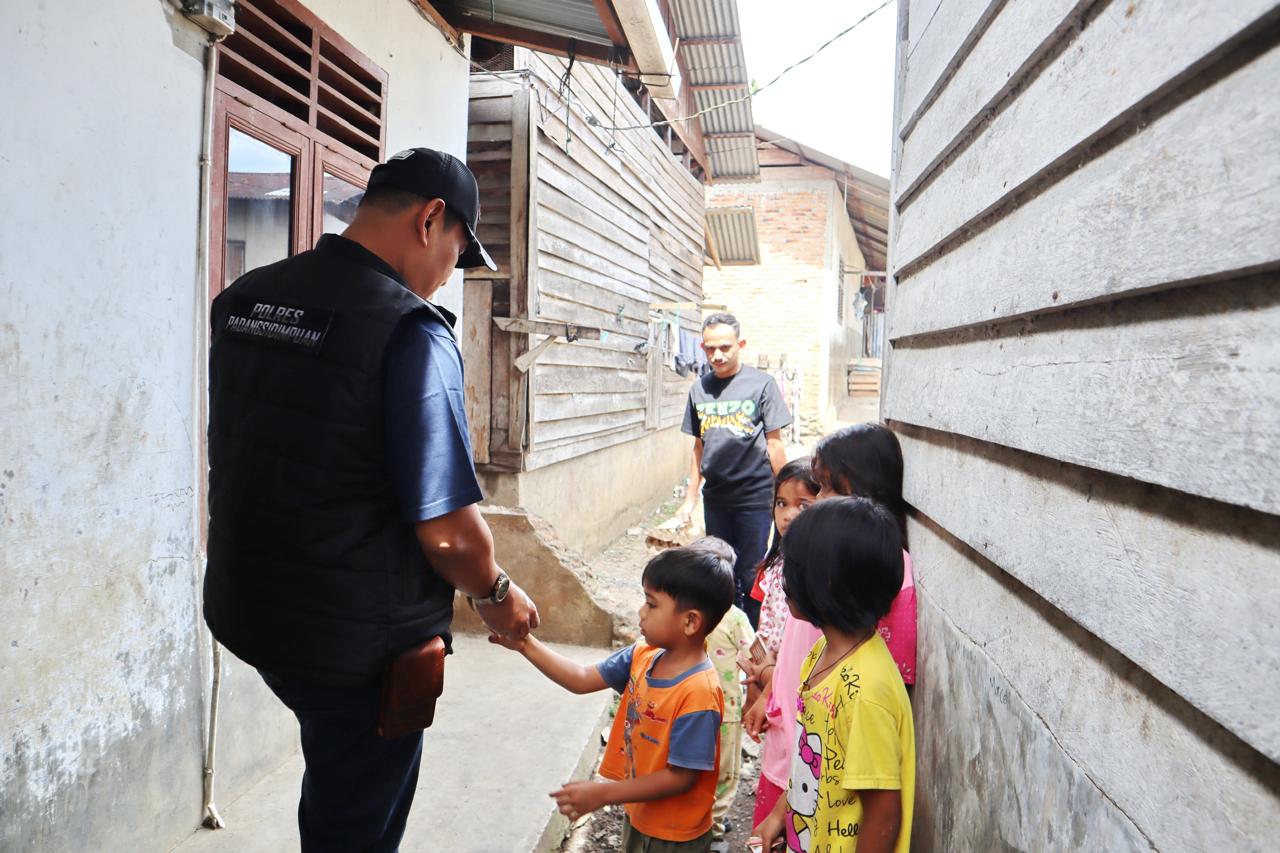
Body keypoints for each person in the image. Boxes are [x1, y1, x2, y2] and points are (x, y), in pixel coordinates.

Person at [204, 147, 539, 852]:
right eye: (456, 252)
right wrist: (497, 592)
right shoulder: (410, 330)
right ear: (431, 220)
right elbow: (447, 530)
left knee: (333, 775)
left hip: (253, 607)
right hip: (358, 643)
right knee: (354, 823)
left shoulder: (246, 299)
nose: (450, 271)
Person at [489, 544, 736, 853]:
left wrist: (606, 794)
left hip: (676, 835)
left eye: (651, 604)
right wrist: (525, 644)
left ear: (690, 622)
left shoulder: (698, 692)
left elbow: (681, 777)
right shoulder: (642, 656)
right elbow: (580, 679)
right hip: (639, 815)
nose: (640, 612)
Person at [753, 499, 916, 853]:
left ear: (826, 582)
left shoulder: (865, 692)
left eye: (793, 568)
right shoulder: (821, 654)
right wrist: (779, 815)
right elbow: (810, 756)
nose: (783, 579)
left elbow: (884, 812)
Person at [677, 313, 792, 626]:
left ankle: (755, 644)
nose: (718, 355)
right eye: (711, 348)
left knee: (751, 572)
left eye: (726, 347)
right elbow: (698, 448)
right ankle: (727, 641)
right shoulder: (699, 389)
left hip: (755, 496)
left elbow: (775, 445)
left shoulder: (762, 385)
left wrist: (787, 496)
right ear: (702, 347)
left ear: (740, 345)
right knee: (721, 572)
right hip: (716, 497)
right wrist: (690, 500)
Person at [811, 424, 917, 687]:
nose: (817, 500)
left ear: (865, 489)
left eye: (828, 487)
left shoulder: (890, 566)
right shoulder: (835, 551)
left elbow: (889, 681)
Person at [692, 538, 756, 851]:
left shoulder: (683, 614)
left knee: (701, 769)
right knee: (724, 772)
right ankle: (713, 829)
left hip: (699, 710)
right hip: (725, 712)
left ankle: (708, 823)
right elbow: (758, 658)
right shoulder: (735, 618)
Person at [747, 458, 820, 657]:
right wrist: (757, 668)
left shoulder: (823, 575)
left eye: (803, 506)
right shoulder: (772, 567)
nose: (788, 515)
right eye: (781, 503)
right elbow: (764, 628)